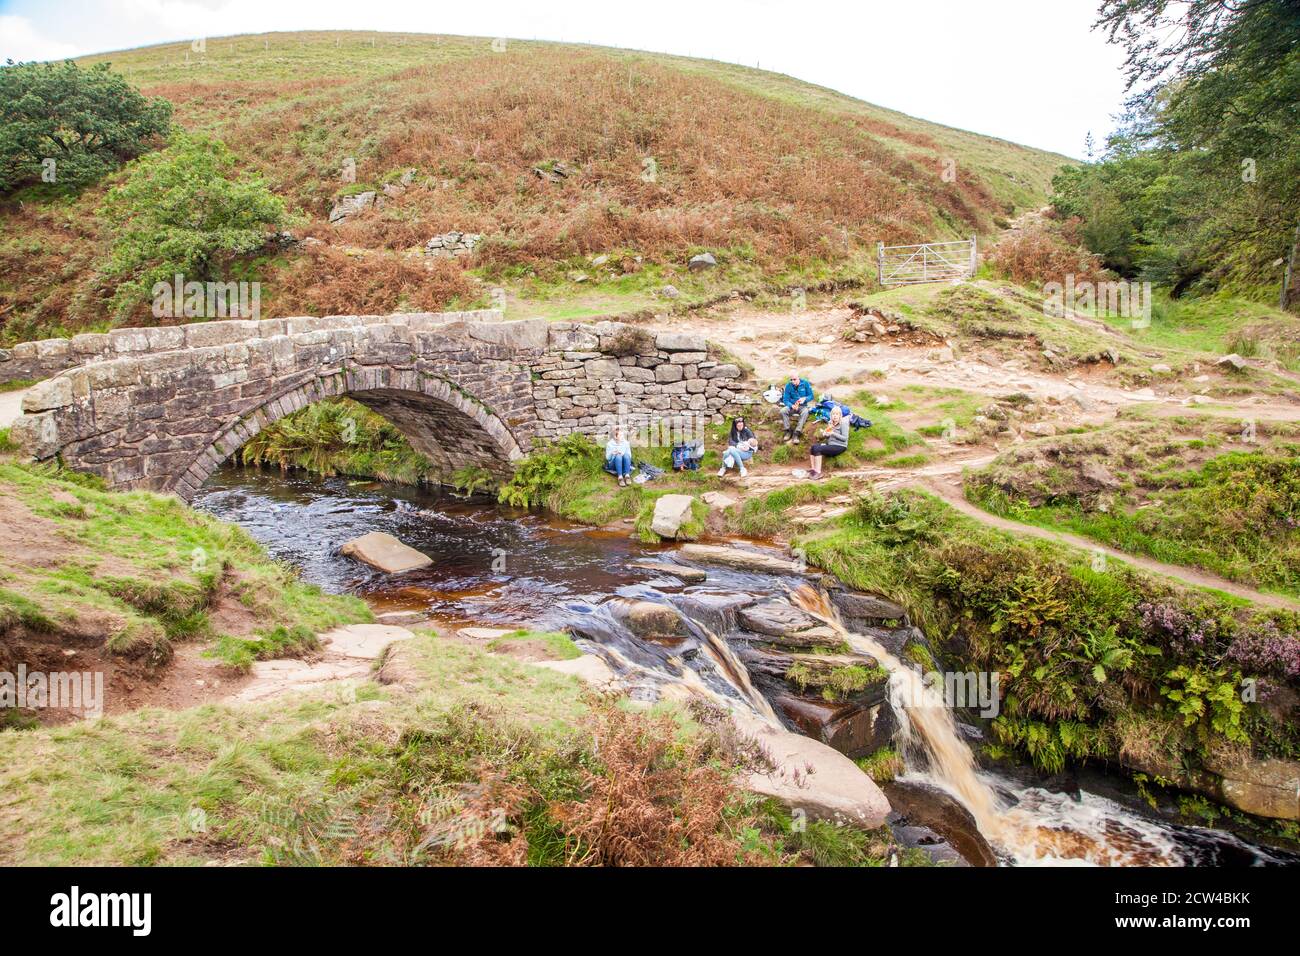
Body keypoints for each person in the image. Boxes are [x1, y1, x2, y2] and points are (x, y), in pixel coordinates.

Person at [807, 406, 849, 480]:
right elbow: (828, 437)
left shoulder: (844, 423)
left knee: (818, 449)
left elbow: (844, 438)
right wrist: (826, 435)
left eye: (837, 414)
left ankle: (818, 472)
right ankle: (813, 469)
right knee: (813, 447)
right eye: (833, 414)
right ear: (831, 415)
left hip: (840, 446)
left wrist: (832, 433)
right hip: (831, 444)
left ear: (840, 415)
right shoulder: (830, 423)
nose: (835, 416)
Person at [780, 372, 814, 443]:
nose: (793, 381)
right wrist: (791, 405)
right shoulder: (788, 386)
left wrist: (805, 399)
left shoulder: (805, 383)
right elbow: (785, 400)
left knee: (805, 412)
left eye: (794, 379)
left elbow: (811, 396)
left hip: (802, 406)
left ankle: (797, 433)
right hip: (792, 406)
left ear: (798, 378)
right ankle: (788, 431)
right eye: (791, 380)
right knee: (783, 411)